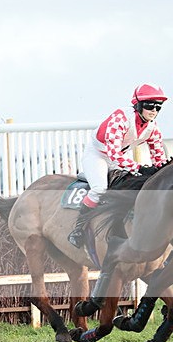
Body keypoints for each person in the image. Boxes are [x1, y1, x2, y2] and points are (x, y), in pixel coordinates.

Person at [68, 83, 168, 248]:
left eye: (158, 107)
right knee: (99, 188)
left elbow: (158, 155)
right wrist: (139, 168)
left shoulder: (152, 128)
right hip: (98, 154)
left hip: (121, 155)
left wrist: (161, 171)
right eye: (150, 105)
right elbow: (113, 153)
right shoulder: (120, 118)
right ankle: (78, 229)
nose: (154, 110)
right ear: (138, 105)